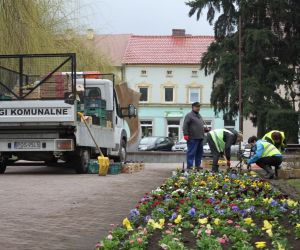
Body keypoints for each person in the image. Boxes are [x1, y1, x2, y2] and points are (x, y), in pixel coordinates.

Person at [183, 102, 204, 170]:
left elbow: (199, 125)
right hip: (192, 137)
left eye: (199, 107)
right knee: (191, 152)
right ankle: (190, 166)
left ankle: (198, 165)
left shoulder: (199, 116)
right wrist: (185, 134)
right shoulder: (189, 115)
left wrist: (205, 129)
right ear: (193, 107)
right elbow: (185, 125)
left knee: (199, 153)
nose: (198, 108)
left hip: (200, 137)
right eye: (197, 107)